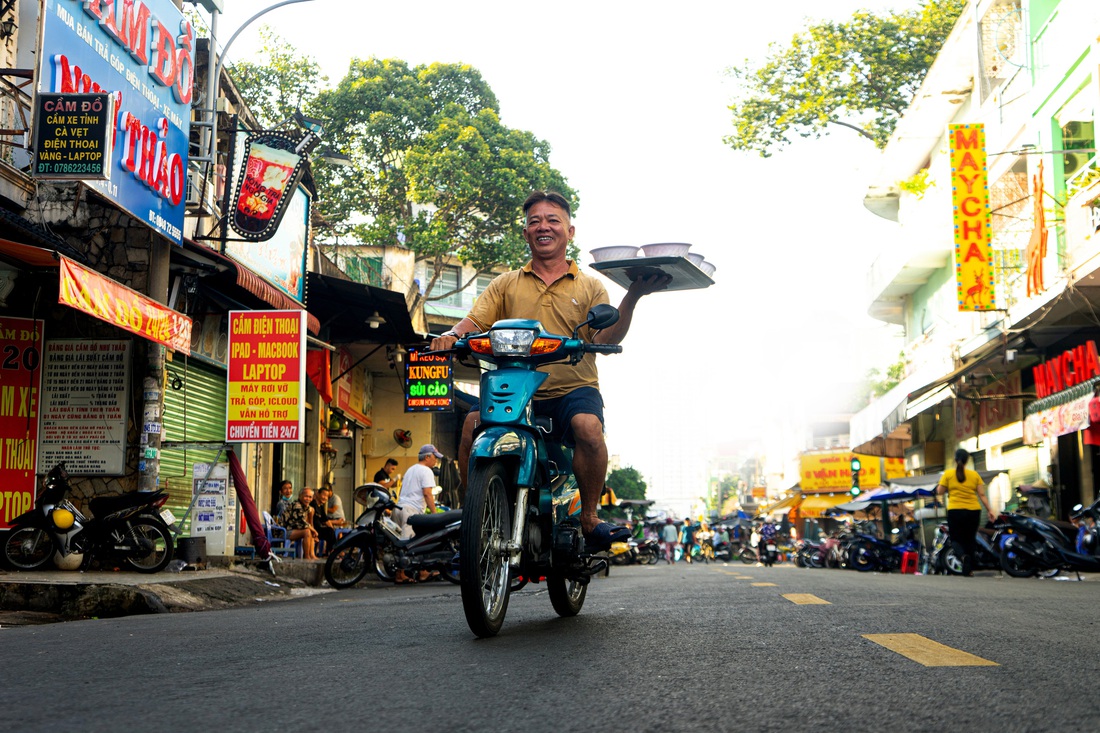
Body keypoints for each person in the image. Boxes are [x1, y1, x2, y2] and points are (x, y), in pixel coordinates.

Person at [429, 190, 669, 551]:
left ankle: (589, 518)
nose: (543, 227)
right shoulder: (504, 283)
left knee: (588, 428)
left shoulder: (589, 285)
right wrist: (451, 335)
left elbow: (604, 335)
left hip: (572, 390)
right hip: (515, 390)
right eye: (535, 221)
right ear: (525, 233)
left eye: (552, 220)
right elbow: (474, 320)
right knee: (470, 426)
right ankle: (475, 514)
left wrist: (632, 296)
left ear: (569, 231)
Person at [937, 448, 995, 576]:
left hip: (955, 511)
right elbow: (982, 495)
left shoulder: (948, 474)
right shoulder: (974, 475)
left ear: (955, 459)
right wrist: (990, 510)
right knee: (970, 540)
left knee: (956, 540)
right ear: (967, 460)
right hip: (973, 511)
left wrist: (947, 487)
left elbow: (939, 491)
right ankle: (968, 570)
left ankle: (963, 557)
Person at [393, 444, 443, 583]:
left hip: (399, 508)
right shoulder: (426, 471)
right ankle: (401, 574)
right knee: (411, 543)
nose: (436, 462)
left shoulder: (410, 469)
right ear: (427, 457)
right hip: (411, 512)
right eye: (435, 458)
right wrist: (434, 514)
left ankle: (422, 571)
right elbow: (427, 493)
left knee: (405, 542)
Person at [278, 487, 319, 560]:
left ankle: (312, 555)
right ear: (300, 496)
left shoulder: (307, 507)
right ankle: (307, 556)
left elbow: (309, 523)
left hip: (294, 530)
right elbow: (302, 522)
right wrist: (314, 531)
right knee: (307, 531)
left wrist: (314, 532)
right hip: (284, 531)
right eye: (306, 496)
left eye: (310, 497)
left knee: (310, 531)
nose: (308, 499)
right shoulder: (297, 505)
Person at [311, 487, 339, 553]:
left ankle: (331, 551)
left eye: (327, 496)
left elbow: (326, 520)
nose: (325, 498)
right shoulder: (312, 505)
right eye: (323, 495)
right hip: (313, 529)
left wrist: (332, 528)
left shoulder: (321, 506)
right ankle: (332, 551)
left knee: (330, 531)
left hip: (319, 529)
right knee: (329, 531)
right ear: (318, 494)